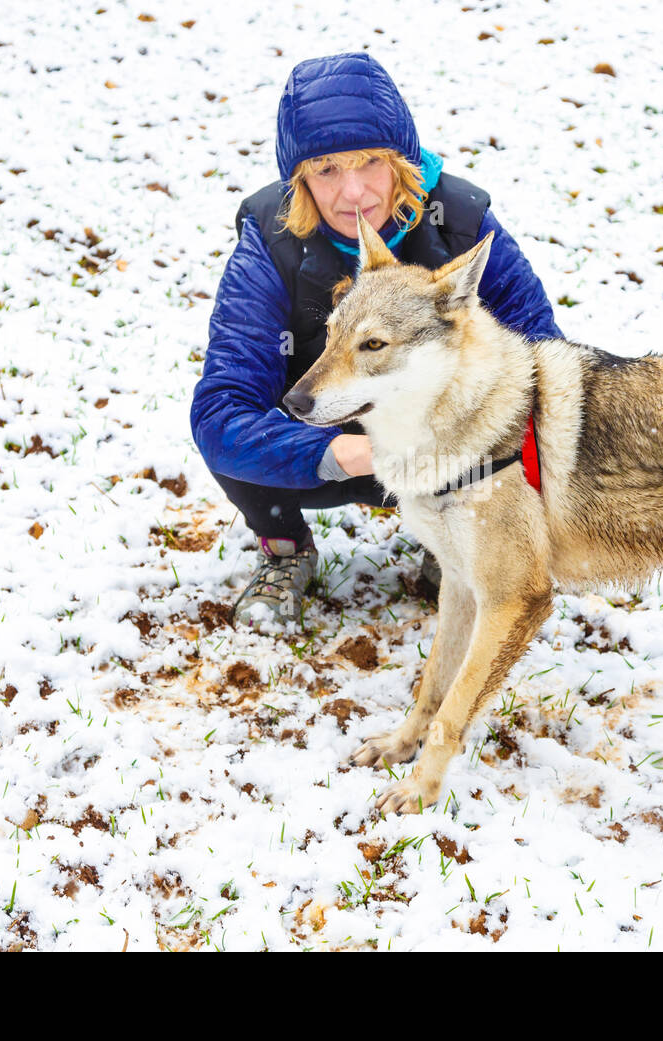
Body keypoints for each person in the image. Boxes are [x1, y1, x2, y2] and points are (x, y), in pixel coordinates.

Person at [190, 52, 563, 626]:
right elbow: (221, 409)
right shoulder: (269, 240)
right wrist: (352, 454)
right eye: (326, 170)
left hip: (456, 455)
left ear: (402, 163)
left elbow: (547, 365)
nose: (354, 193)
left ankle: (457, 544)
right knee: (236, 447)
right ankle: (285, 547)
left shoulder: (460, 223)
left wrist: (462, 455)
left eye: (370, 163)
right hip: (333, 445)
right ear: (299, 181)